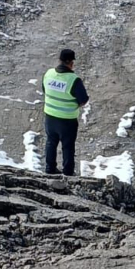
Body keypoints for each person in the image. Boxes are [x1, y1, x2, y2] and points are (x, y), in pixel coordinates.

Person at [42, 48, 89, 176]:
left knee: (51, 142)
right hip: (67, 120)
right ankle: (68, 173)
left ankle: (50, 169)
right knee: (68, 146)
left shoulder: (49, 74)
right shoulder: (73, 80)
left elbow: (45, 90)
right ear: (72, 63)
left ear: (59, 60)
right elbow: (83, 100)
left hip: (50, 117)